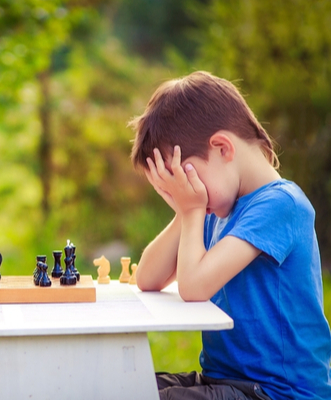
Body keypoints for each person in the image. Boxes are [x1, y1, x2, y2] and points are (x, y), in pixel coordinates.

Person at [129, 71, 331, 400]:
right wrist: (185, 211)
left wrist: (193, 210)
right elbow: (148, 278)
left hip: (277, 392)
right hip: (225, 381)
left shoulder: (281, 204)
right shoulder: (215, 208)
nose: (187, 194)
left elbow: (193, 288)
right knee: (121, 384)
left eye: (185, 179)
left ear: (222, 148)